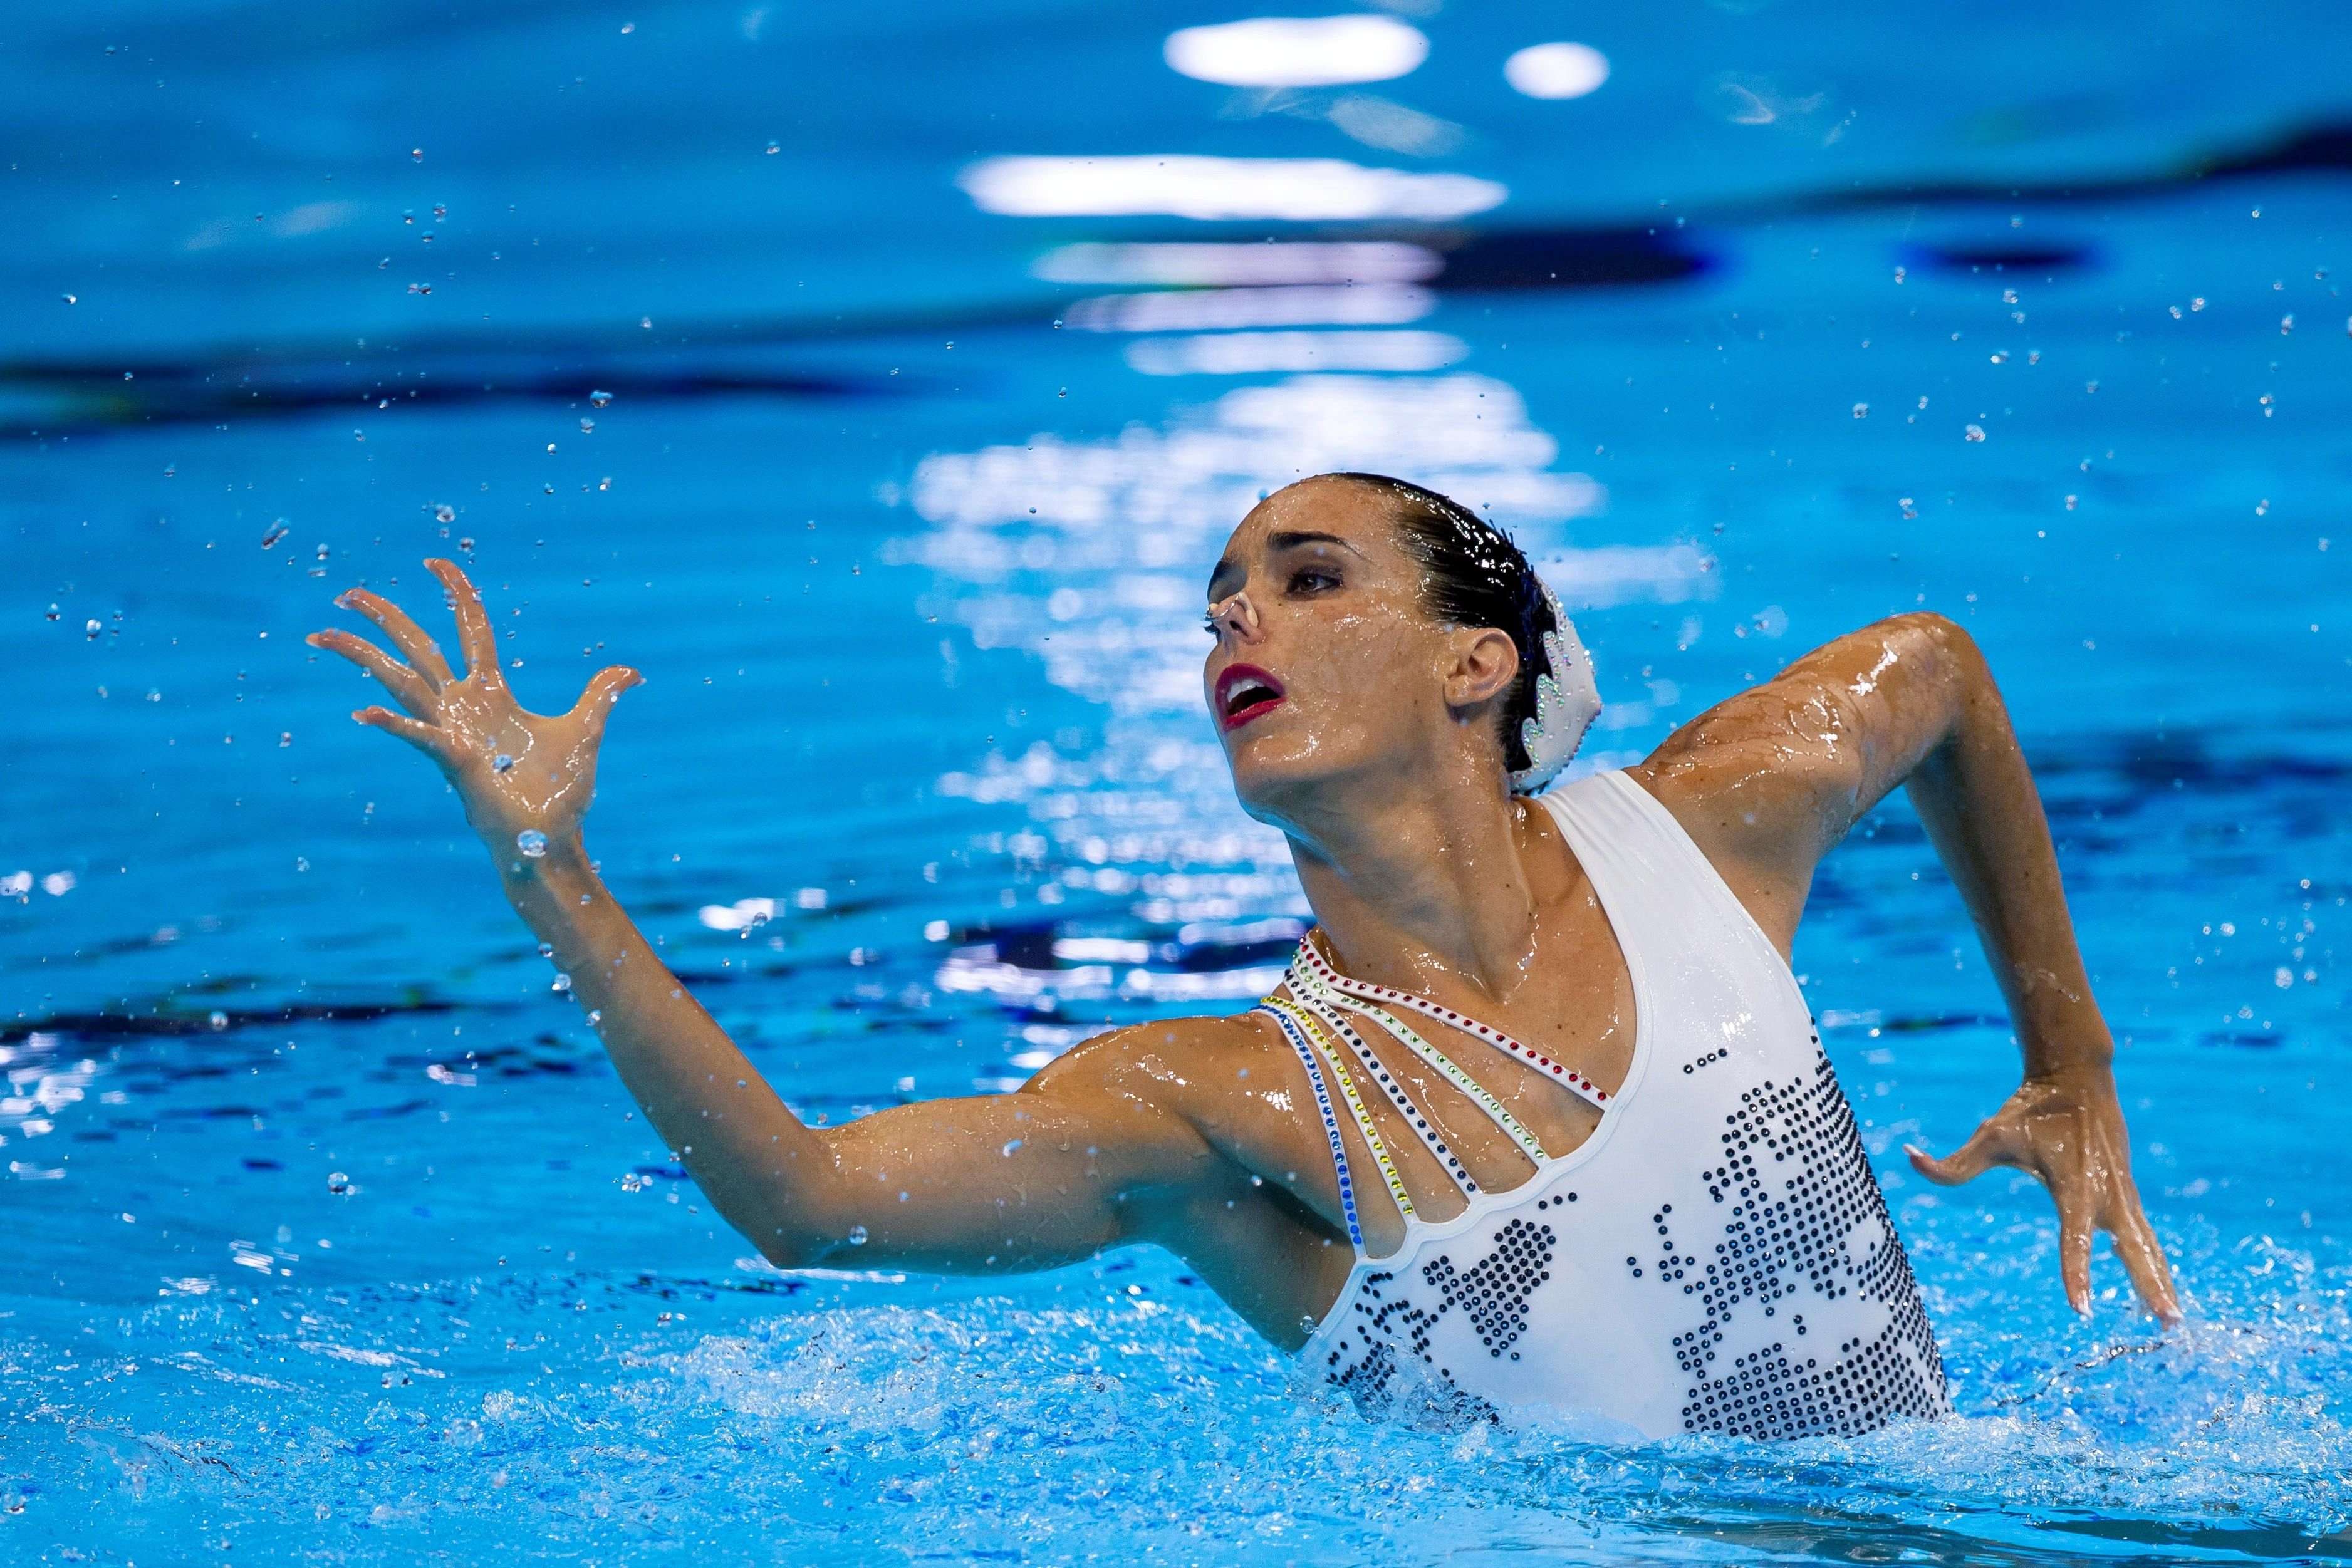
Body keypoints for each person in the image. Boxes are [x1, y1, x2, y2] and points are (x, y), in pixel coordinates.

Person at [309, 472, 2178, 1440]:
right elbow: (806, 1205)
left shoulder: (1696, 837)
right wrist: (546, 863)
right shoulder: (1221, 1105)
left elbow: (1930, 665)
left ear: (1478, 662)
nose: (1234, 624)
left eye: (1304, 577)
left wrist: (2068, 1061)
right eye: (1217, 602)